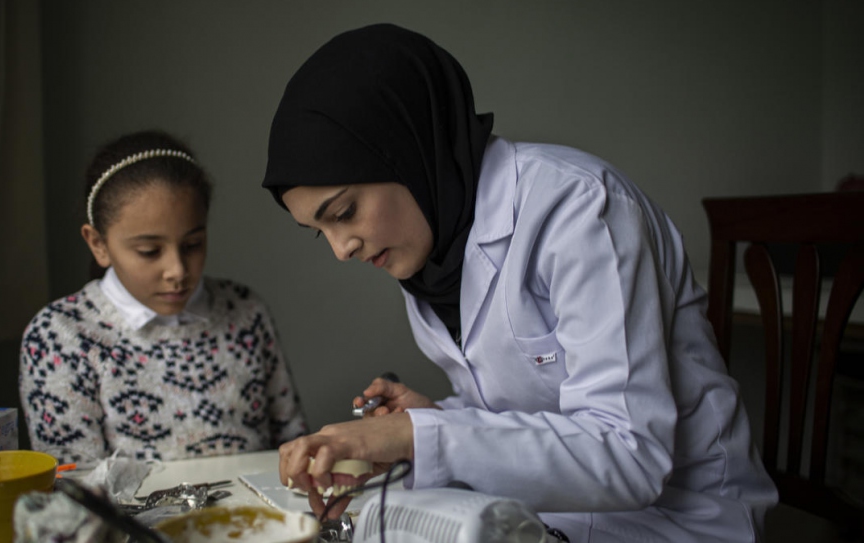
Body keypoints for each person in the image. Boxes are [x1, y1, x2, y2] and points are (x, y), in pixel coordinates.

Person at [262, 24, 777, 543]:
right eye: (320, 231)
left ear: (405, 145)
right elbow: (529, 409)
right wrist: (433, 420)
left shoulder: (579, 209)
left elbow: (629, 453)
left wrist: (418, 437)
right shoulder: (432, 251)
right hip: (552, 515)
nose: (341, 248)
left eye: (345, 212)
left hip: (679, 522)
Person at [20, 130, 307, 464]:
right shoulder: (61, 336)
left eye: (192, 245)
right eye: (149, 251)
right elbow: (73, 487)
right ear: (98, 244)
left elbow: (293, 445)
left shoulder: (244, 311)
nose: (177, 270)